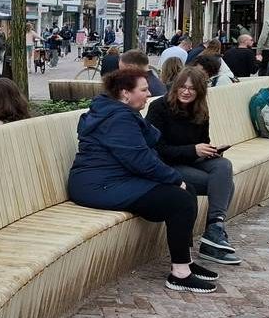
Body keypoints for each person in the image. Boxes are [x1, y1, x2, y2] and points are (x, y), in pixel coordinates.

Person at [67, 69, 218, 293]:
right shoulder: (118, 118)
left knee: (189, 191)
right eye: (144, 90)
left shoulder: (121, 112)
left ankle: (183, 261)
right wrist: (175, 179)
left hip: (115, 179)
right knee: (180, 198)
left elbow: (144, 150)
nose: (149, 94)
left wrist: (176, 180)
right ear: (125, 93)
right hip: (97, 186)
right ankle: (179, 275)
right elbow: (139, 159)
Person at [145, 67, 239, 264]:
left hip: (190, 161)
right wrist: (193, 150)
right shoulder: (159, 108)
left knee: (223, 166)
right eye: (182, 87)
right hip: (165, 165)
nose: (186, 92)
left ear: (200, 92)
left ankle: (215, 227)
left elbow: (201, 141)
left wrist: (208, 151)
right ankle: (211, 240)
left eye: (192, 88)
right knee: (226, 185)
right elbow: (156, 149)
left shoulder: (200, 111)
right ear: (175, 87)